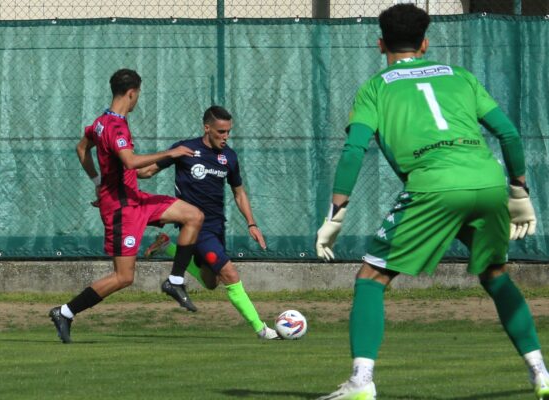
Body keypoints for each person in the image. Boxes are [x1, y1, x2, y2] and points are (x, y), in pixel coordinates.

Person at [315, 4, 546, 400]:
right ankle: (540, 372)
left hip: (434, 185)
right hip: (486, 180)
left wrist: (337, 212)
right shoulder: (460, 76)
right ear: (425, 43)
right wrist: (520, 191)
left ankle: (361, 381)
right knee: (495, 275)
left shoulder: (375, 87)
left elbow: (354, 150)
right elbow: (508, 134)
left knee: (371, 279)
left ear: (380, 44)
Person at [49, 68, 205, 344]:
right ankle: (65, 312)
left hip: (136, 199)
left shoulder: (100, 122)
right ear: (132, 93)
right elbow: (130, 162)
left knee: (193, 215)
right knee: (124, 277)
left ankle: (176, 281)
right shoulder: (116, 127)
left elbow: (81, 149)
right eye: (138, 95)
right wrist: (170, 152)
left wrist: (98, 181)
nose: (137, 100)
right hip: (122, 209)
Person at [138, 105, 280, 340]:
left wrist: (252, 224)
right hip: (194, 227)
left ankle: (168, 247)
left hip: (216, 227)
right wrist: (118, 179)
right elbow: (148, 171)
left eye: (228, 132)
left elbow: (239, 193)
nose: (225, 137)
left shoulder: (229, 157)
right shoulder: (186, 149)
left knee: (211, 282)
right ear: (207, 128)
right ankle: (262, 329)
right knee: (230, 274)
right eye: (220, 132)